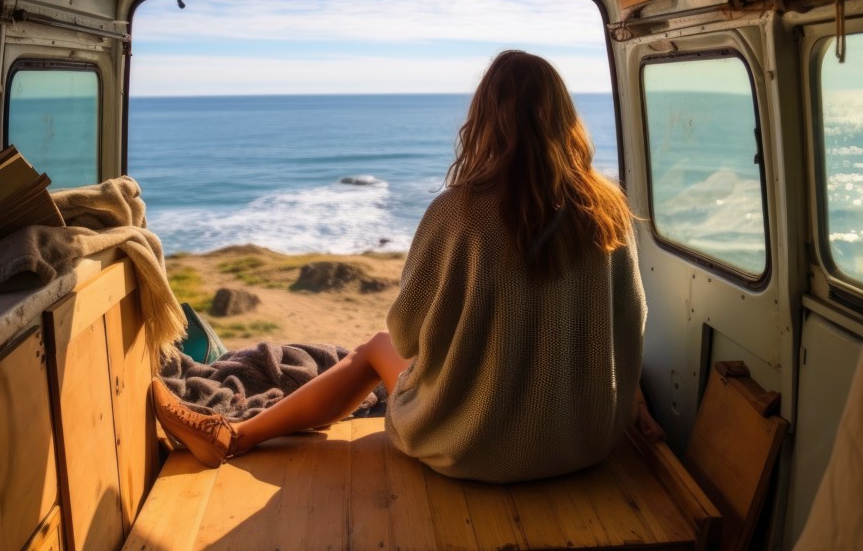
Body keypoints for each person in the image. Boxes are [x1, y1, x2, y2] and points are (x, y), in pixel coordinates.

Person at [151, 50, 657, 483]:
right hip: (585, 442)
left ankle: (234, 436)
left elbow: (408, 335)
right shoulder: (607, 206)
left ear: (483, 119)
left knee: (375, 347)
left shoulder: (458, 211)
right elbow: (631, 322)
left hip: (468, 446)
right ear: (564, 116)